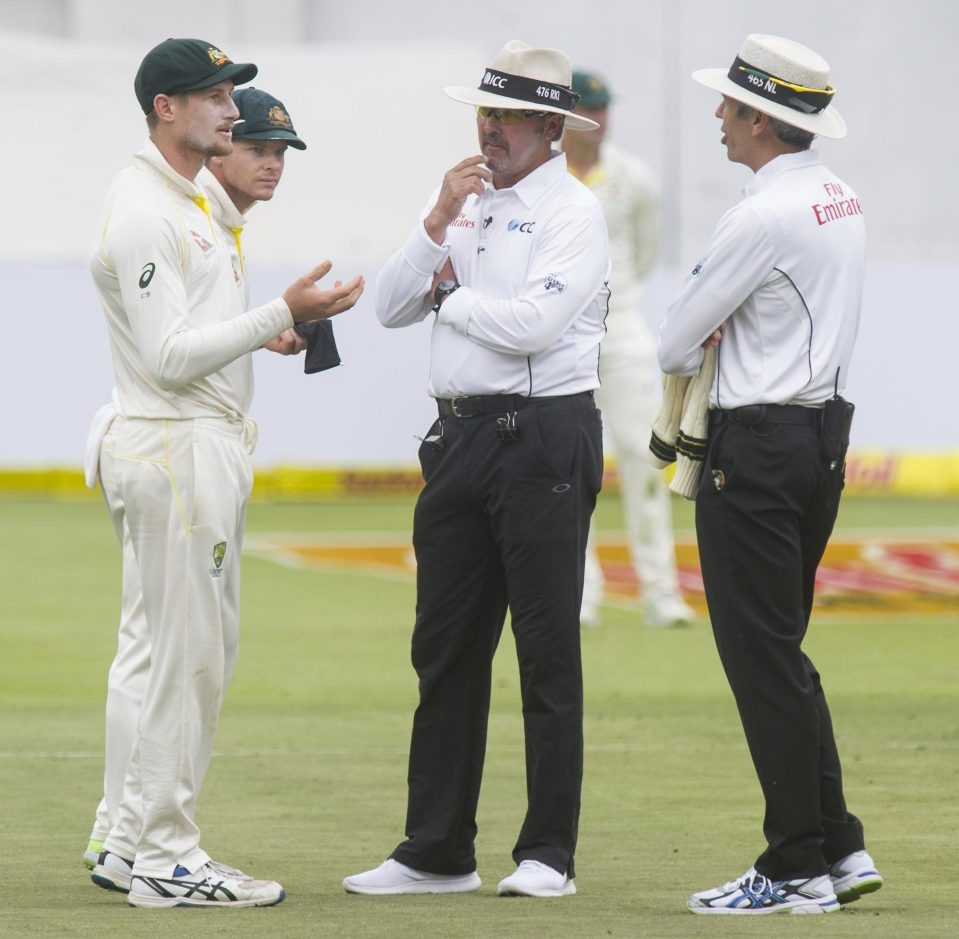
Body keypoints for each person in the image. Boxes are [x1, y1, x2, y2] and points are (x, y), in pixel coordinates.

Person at [86, 37, 363, 908]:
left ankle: (133, 841)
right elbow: (167, 357)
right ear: (165, 108)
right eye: (213, 96)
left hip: (192, 438)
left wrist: (266, 330)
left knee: (184, 653)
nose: (232, 111)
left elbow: (190, 335)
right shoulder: (147, 211)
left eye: (230, 93)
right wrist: (285, 310)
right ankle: (168, 857)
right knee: (187, 658)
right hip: (175, 443)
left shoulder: (188, 203)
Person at [342, 40, 609, 899]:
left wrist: (451, 295)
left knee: (544, 650)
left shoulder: (573, 210)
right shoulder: (458, 196)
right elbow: (386, 305)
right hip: (457, 439)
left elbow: (531, 326)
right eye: (482, 114)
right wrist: (431, 233)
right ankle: (436, 849)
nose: (487, 130)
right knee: (445, 648)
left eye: (503, 117)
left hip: (540, 439)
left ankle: (548, 854)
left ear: (547, 127)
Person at [658, 34, 882, 915]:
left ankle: (794, 863)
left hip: (756, 445)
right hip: (820, 438)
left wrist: (714, 322)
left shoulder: (761, 213)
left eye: (729, 105)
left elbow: (677, 337)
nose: (717, 116)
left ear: (760, 117)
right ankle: (838, 844)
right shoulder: (838, 196)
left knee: (759, 660)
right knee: (780, 652)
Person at [562, 71, 693, 629]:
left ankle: (660, 593)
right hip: (560, 341)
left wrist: (612, 306)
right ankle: (581, 593)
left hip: (621, 333)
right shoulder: (544, 177)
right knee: (573, 467)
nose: (600, 118)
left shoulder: (632, 177)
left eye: (604, 107)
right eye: (588, 108)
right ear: (565, 115)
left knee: (643, 461)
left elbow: (643, 255)